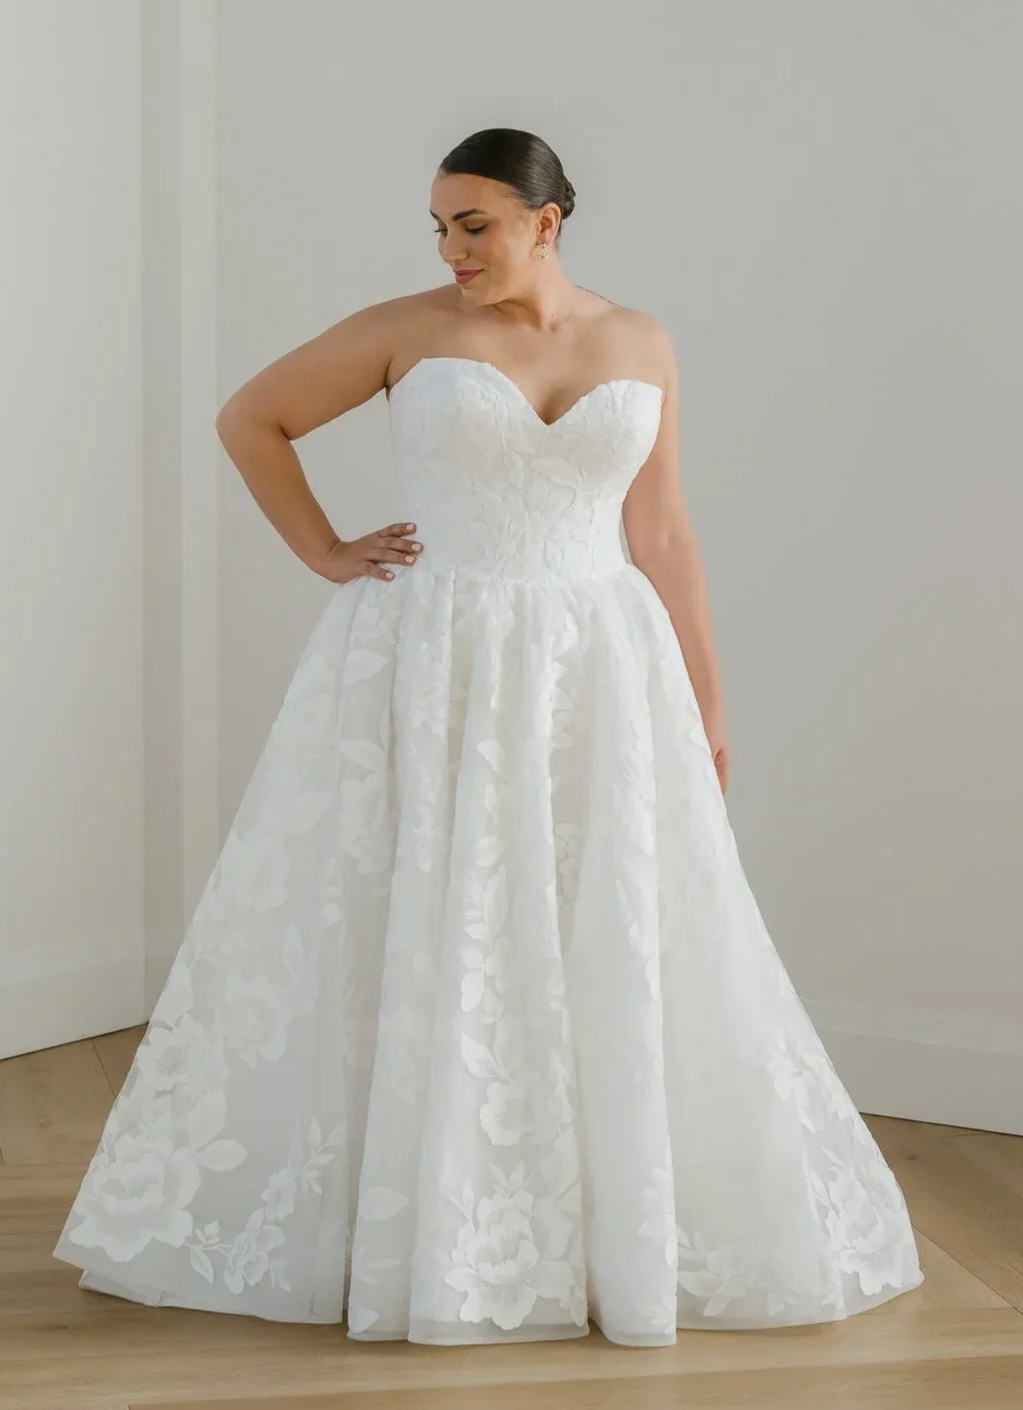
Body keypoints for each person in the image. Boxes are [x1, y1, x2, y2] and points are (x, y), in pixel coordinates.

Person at [53, 126, 924, 1347]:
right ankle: (422, 1221)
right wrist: (323, 549)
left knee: (601, 923)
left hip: (599, 665)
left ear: (547, 221)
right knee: (427, 918)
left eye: (476, 225)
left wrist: (708, 701)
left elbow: (664, 532)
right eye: (440, 227)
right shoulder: (406, 330)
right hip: (437, 654)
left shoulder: (639, 341)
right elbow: (252, 417)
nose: (453, 250)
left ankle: (597, 1229)